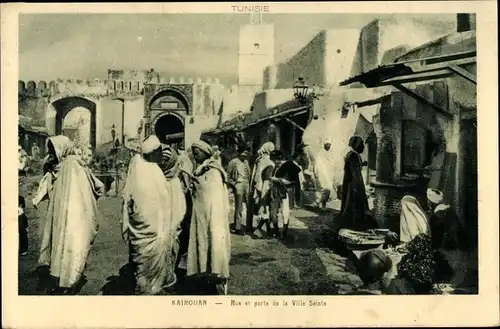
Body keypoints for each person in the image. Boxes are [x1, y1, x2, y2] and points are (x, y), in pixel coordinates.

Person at [33, 135, 104, 295]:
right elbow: (96, 185)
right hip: (68, 215)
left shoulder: (71, 165)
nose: (51, 154)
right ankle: (67, 281)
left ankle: (68, 281)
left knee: (69, 245)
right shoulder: (67, 165)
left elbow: (87, 188)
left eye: (53, 150)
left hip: (74, 215)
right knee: (68, 245)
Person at [121, 135, 186, 295]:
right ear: (153, 153)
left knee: (145, 266)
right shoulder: (150, 170)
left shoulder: (139, 167)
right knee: (149, 267)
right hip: (152, 231)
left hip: (146, 231)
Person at [187, 140, 231, 295]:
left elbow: (213, 194)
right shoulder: (201, 169)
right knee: (202, 241)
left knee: (213, 242)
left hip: (213, 215)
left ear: (205, 152)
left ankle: (215, 275)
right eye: (193, 152)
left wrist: (196, 181)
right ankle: (204, 275)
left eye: (197, 152)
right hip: (201, 214)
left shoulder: (213, 171)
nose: (194, 155)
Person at [339, 136, 373, 231]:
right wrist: (358, 188)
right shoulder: (353, 155)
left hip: (351, 183)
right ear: (357, 145)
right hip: (353, 185)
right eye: (361, 145)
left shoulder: (353, 155)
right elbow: (355, 173)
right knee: (353, 205)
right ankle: (353, 226)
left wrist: (362, 164)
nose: (363, 147)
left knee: (350, 205)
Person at [248, 142, 275, 237]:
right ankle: (259, 230)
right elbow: (260, 175)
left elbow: (255, 175)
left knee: (265, 208)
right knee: (265, 208)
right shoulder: (267, 161)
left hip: (260, 185)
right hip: (264, 186)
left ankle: (269, 231)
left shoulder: (259, 159)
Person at [268, 150, 295, 240]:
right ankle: (276, 231)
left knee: (285, 213)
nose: (276, 162)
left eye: (277, 160)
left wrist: (276, 180)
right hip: (275, 192)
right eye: (274, 160)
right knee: (273, 213)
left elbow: (290, 181)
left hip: (285, 192)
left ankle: (283, 233)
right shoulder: (275, 167)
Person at [226, 144, 251, 235]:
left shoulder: (246, 162)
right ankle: (238, 227)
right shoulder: (233, 162)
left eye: (246, 153)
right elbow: (227, 177)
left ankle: (249, 226)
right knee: (239, 207)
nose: (245, 154)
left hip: (247, 185)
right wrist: (234, 184)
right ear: (239, 153)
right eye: (243, 152)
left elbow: (249, 174)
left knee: (249, 206)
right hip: (238, 185)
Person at [313, 137, 335, 212]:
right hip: (321, 174)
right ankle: (319, 205)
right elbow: (316, 164)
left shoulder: (330, 154)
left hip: (328, 175)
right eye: (327, 144)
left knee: (328, 190)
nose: (328, 146)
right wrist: (316, 173)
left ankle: (323, 205)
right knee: (321, 190)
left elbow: (332, 164)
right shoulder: (320, 154)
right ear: (324, 145)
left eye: (329, 144)